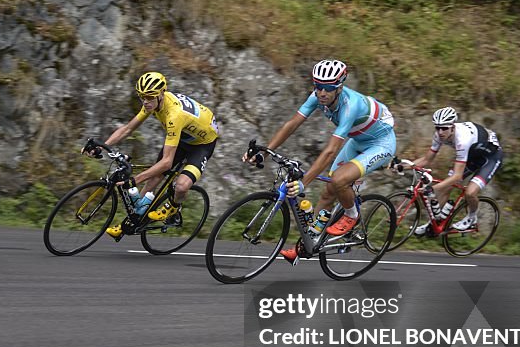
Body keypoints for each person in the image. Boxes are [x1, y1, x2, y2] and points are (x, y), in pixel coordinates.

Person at [245, 59, 396, 263]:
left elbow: (331, 150)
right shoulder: (317, 96)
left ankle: (352, 215)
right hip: (358, 140)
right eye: (318, 87)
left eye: (328, 88)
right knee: (327, 193)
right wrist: (265, 151)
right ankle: (308, 243)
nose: (322, 92)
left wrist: (303, 183)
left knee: (338, 180)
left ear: (339, 87)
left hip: (381, 143)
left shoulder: (351, 105)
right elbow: (292, 124)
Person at [88, 71, 220, 239]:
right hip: (183, 137)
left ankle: (174, 208)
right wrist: (103, 146)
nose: (145, 101)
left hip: (203, 143)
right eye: (142, 97)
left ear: (161, 94)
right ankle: (132, 220)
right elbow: (127, 129)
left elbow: (166, 162)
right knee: (154, 178)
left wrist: (135, 180)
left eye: (149, 97)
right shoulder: (153, 102)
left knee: (181, 185)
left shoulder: (174, 115)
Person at [401, 107, 503, 234]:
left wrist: (433, 188)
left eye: (444, 128)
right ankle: (433, 225)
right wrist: (403, 165)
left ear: (453, 127)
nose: (440, 132)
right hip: (472, 156)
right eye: (437, 128)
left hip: (490, 158)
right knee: (446, 186)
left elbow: (457, 176)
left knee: (470, 193)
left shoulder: (462, 139)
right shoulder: (439, 135)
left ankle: (472, 218)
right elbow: (427, 159)